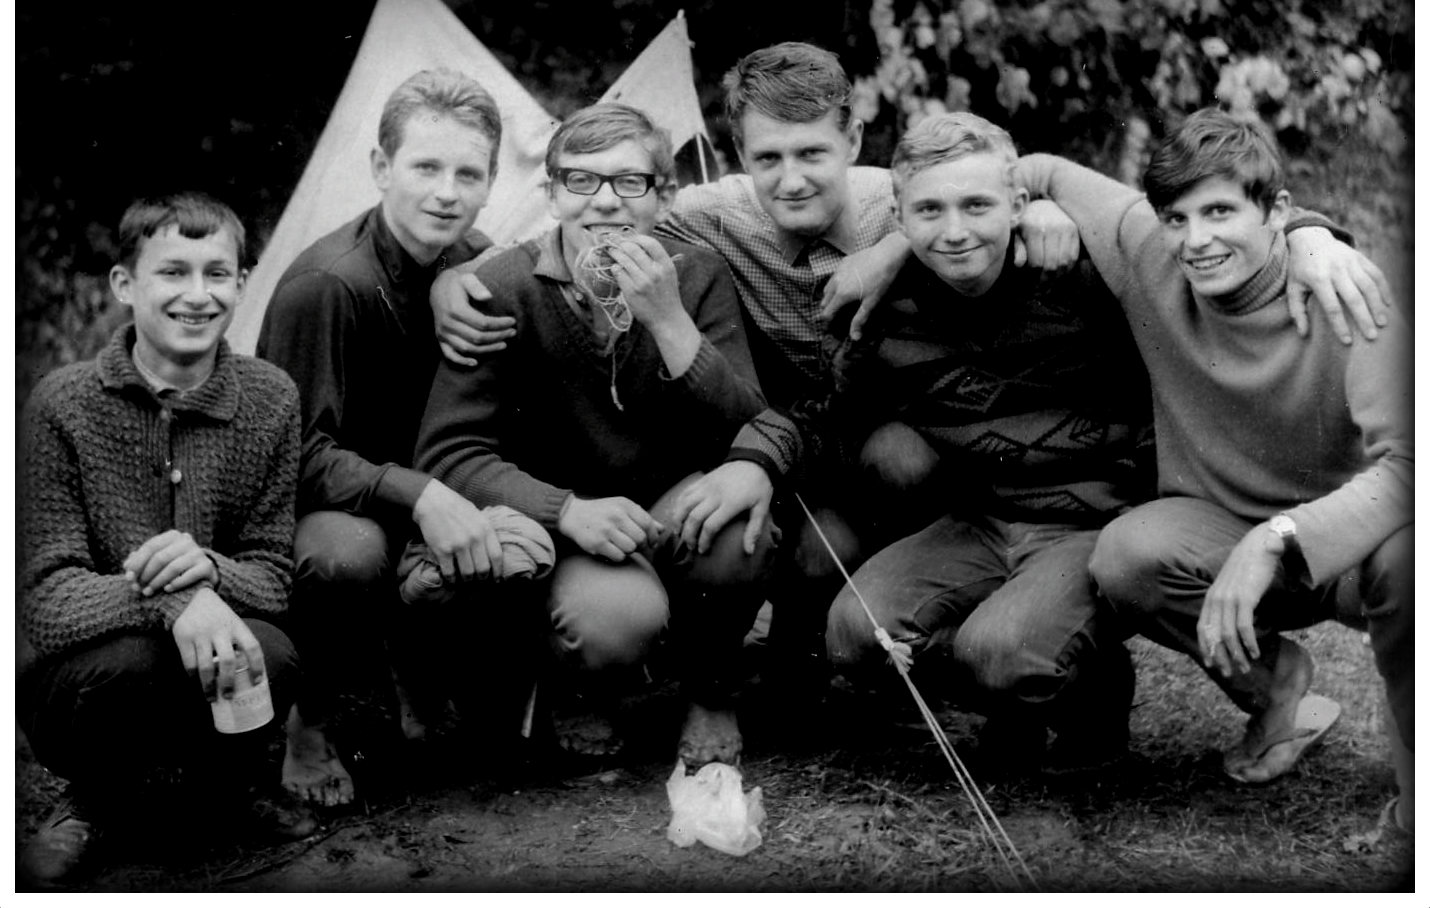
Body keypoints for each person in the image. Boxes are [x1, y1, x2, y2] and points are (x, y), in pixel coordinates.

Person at [429, 42, 1084, 699]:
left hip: (900, 440)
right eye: (768, 158)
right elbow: (576, 223)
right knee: (807, 546)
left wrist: (909, 241)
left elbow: (994, 194)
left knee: (899, 463)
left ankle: (948, 637)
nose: (791, 180)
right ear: (741, 154)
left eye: (812, 154)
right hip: (790, 438)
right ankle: (793, 661)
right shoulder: (707, 219)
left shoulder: (908, 203)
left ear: (854, 141)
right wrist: (451, 278)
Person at [670, 113, 1158, 771]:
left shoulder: (1081, 270)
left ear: (1018, 203)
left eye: (976, 206)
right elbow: (828, 413)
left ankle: (1088, 688)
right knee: (856, 635)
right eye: (929, 210)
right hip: (981, 521)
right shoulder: (888, 308)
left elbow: (1181, 247)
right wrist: (754, 462)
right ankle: (1011, 680)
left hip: (1090, 523)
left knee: (1002, 655)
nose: (954, 231)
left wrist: (1300, 236)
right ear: (898, 217)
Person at [1014, 109, 1410, 826]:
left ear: (1277, 212)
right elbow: (1036, 168)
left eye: (1221, 211)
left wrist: (1280, 537)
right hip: (1221, 539)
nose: (1196, 241)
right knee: (1129, 553)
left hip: (1347, 549)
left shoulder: (1346, 290)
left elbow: (1409, 468)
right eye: (1177, 217)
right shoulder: (1150, 251)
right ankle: (1277, 691)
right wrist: (1028, 210)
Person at [410, 102, 774, 766]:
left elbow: (745, 424)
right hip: (563, 525)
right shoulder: (503, 286)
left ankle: (710, 689)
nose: (605, 201)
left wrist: (669, 321)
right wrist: (565, 511)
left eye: (630, 181)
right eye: (580, 180)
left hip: (666, 502)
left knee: (736, 534)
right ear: (552, 194)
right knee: (613, 623)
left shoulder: (698, 274)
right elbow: (448, 454)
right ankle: (578, 687)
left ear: (664, 195)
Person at [255, 69, 545, 808]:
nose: (446, 192)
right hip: (341, 505)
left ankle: (423, 668)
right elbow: (291, 457)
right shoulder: (328, 285)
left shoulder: (475, 257)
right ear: (382, 168)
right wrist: (420, 495)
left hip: (434, 486)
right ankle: (310, 722)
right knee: (345, 555)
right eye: (425, 167)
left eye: (468, 174)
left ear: (491, 184)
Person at [18, 193, 313, 886]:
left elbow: (272, 575)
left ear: (243, 283)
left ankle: (228, 782)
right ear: (125, 285)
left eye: (218, 274)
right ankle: (94, 796)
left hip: (216, 653)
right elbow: (48, 597)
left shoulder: (270, 398)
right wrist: (178, 600)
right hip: (94, 671)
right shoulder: (63, 403)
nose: (197, 295)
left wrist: (206, 568)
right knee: (130, 663)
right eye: (173, 272)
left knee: (269, 650)